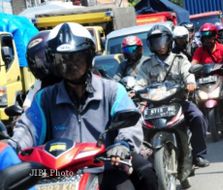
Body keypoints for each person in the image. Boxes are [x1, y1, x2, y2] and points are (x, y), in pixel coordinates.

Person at [7, 22, 157, 190]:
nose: (71, 64)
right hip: (57, 173)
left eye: (76, 57)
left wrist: (123, 144)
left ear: (89, 56)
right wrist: (11, 147)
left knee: (145, 173)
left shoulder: (112, 90)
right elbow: (28, 127)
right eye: (62, 59)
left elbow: (130, 121)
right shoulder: (45, 97)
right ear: (52, 61)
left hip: (104, 167)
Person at [135, 24, 210, 168]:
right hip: (154, 106)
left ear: (169, 41)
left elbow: (188, 74)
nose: (160, 45)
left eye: (162, 41)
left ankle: (198, 154)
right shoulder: (146, 65)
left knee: (198, 117)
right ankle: (144, 158)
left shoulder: (180, 59)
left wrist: (190, 83)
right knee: (135, 123)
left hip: (178, 102)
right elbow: (139, 83)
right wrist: (135, 90)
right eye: (156, 42)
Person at [191, 23, 223, 123]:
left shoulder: (222, 47)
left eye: (210, 37)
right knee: (193, 95)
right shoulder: (199, 51)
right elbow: (194, 63)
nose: (208, 40)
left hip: (221, 77)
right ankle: (199, 119)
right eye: (205, 37)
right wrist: (191, 68)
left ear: (215, 36)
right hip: (204, 79)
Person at [23, 31, 62, 109]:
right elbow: (27, 105)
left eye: (42, 57)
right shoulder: (39, 84)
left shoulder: (70, 77)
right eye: (35, 59)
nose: (39, 63)